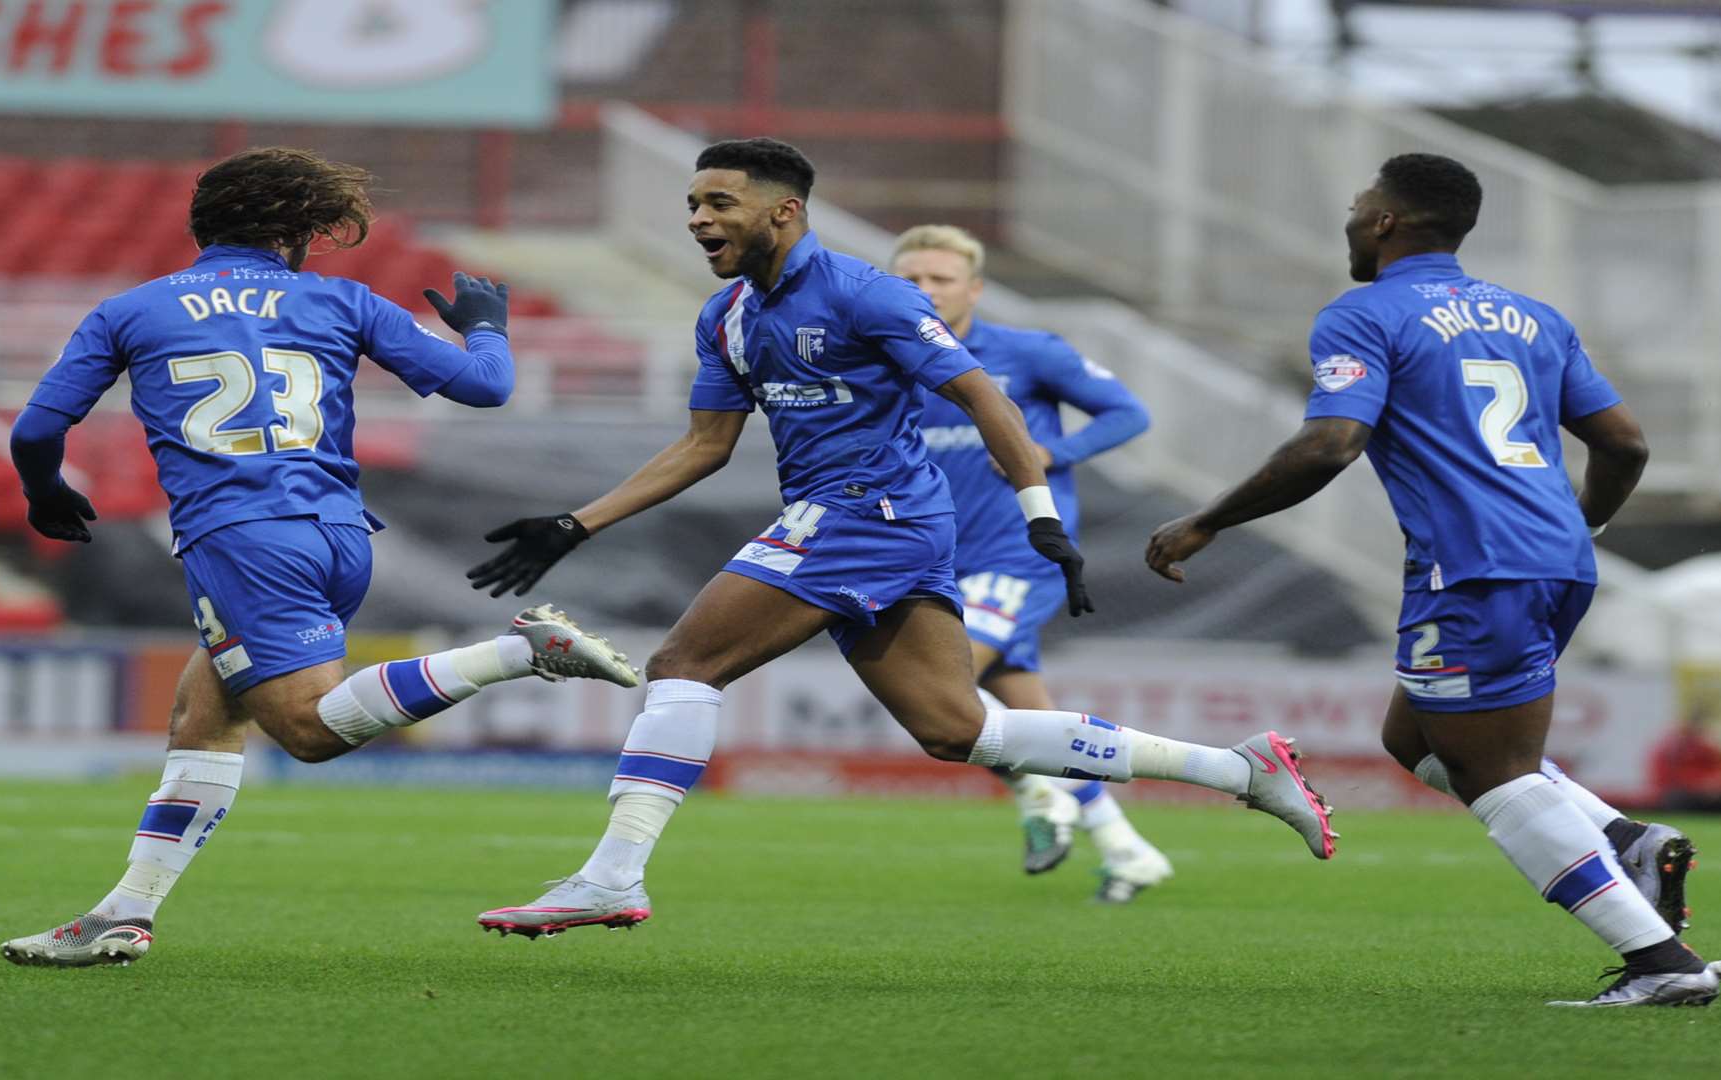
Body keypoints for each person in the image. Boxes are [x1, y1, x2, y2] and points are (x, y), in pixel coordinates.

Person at [464, 138, 1334, 939]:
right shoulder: (726, 316)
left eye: (720, 202)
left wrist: (1040, 512)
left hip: (865, 515)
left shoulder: (864, 292)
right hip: (874, 526)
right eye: (693, 203)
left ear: (783, 212)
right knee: (959, 731)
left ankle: (613, 876)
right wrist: (576, 523)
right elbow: (704, 446)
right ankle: (1241, 770)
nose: (699, 219)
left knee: (685, 668)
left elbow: (984, 397)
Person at [0, 147, 638, 968]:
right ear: (296, 232)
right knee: (207, 713)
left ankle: (520, 651)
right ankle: (125, 913)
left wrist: (45, 489)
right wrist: (485, 325)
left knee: (306, 731)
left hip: (240, 538)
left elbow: (34, 431)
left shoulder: (133, 310)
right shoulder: (343, 300)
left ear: (205, 226)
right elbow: (486, 385)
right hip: (339, 534)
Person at [1144, 153, 1713, 1008]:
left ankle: (1660, 962)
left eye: (1358, 202)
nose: (1350, 213)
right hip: (1553, 558)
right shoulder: (1533, 317)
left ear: (1384, 222)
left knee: (1499, 774)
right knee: (1412, 739)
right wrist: (1580, 525)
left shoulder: (1364, 314)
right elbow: (1624, 444)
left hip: (1475, 566)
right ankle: (1628, 839)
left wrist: (1208, 519)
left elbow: (1330, 444)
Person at [891, 224, 1169, 902]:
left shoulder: (1025, 353)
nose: (924, 291)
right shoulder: (887, 363)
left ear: (975, 289)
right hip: (933, 564)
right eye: (910, 281)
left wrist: (1048, 454)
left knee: (936, 690)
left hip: (1018, 556)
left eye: (940, 279)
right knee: (1027, 718)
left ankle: (1039, 795)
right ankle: (1127, 849)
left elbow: (1127, 413)